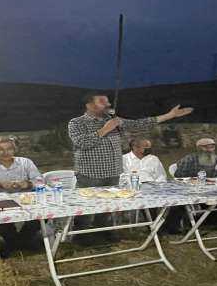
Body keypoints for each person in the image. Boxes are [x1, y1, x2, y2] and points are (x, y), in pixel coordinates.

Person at [67, 92, 192, 241]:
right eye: (102, 101)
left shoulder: (114, 120)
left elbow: (139, 124)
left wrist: (169, 115)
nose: (108, 104)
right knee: (86, 208)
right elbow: (82, 143)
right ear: (89, 105)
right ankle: (81, 238)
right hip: (89, 175)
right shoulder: (77, 123)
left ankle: (102, 234)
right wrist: (105, 129)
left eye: (108, 101)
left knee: (107, 208)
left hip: (113, 174)